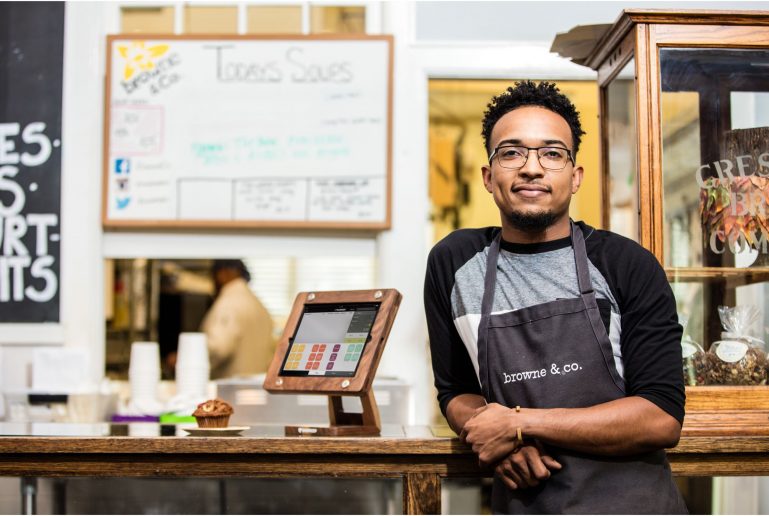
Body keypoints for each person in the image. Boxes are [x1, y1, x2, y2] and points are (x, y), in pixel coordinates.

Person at [423, 81, 687, 514]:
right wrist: (498, 440)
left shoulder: (626, 264)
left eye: (551, 153)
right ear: (489, 177)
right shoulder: (454, 264)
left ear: (575, 176)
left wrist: (519, 424)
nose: (531, 168)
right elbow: (456, 391)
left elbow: (661, 416)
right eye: (511, 152)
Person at [202, 259, 275, 379]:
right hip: (255, 386)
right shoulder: (258, 304)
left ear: (223, 273)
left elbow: (218, 348)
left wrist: (188, 358)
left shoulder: (229, 303)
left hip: (230, 387)